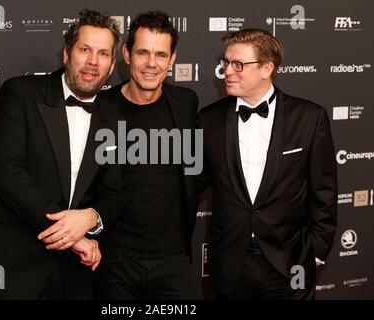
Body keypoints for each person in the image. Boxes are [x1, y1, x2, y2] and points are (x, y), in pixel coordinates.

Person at [0, 9, 123, 299]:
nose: (93, 62)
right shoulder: (20, 94)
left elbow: (116, 191)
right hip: (11, 268)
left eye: (103, 54)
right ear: (66, 54)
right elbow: (9, 175)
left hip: (76, 278)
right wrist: (73, 237)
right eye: (85, 50)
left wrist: (92, 217)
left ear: (111, 67)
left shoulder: (116, 118)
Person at [197, 28, 337, 300]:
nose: (227, 71)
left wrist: (317, 253)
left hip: (290, 263)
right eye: (226, 63)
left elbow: (324, 192)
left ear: (266, 69)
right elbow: (191, 183)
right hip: (230, 264)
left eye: (238, 64)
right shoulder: (209, 119)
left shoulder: (309, 118)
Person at [96, 11, 199, 299]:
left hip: (174, 260)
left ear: (172, 59)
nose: (152, 64)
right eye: (143, 53)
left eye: (160, 54)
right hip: (115, 261)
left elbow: (195, 172)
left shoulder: (185, 103)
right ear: (127, 54)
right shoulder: (101, 108)